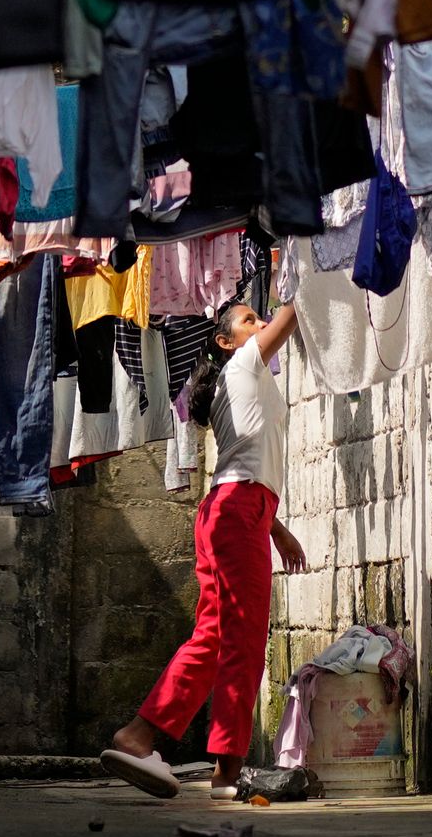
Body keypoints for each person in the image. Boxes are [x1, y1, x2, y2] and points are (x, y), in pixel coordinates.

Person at [101, 291, 307, 798]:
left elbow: (245, 458)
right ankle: (220, 771)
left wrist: (274, 527)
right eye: (248, 319)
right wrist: (307, 265)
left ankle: (147, 738)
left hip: (233, 509)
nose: (259, 324)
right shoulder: (243, 364)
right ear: (224, 340)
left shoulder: (238, 381)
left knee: (216, 637)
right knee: (242, 644)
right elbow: (293, 313)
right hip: (237, 512)